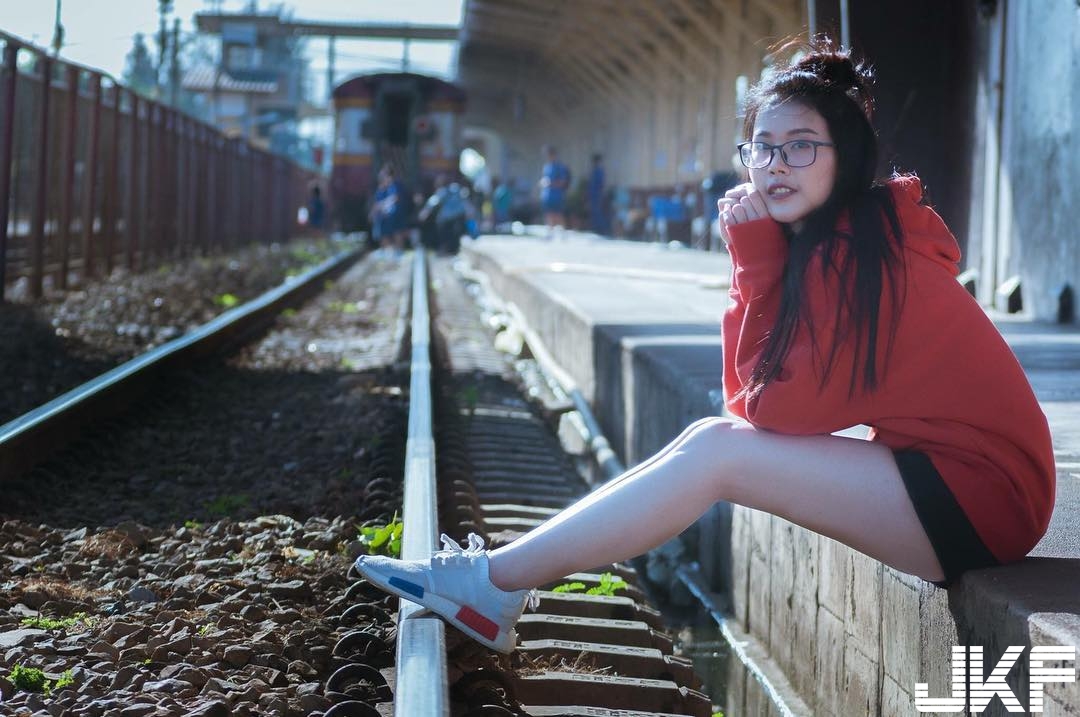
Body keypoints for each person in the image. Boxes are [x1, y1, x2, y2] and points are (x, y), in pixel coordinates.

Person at [354, 40, 1055, 654]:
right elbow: (751, 400)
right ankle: (497, 579)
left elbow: (766, 409)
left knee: (719, 452)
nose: (776, 165)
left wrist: (754, 261)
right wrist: (762, 263)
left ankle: (494, 583)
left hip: (982, 499)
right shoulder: (847, 238)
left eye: (801, 146)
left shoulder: (859, 257)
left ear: (845, 158)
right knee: (708, 440)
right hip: (954, 477)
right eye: (763, 147)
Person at [538, 145, 571, 234]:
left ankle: (563, 232)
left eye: (549, 155)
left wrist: (550, 183)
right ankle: (550, 232)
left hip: (557, 195)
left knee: (558, 214)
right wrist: (542, 183)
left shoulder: (560, 167)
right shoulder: (546, 167)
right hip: (547, 195)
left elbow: (563, 182)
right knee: (548, 213)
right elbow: (545, 179)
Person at [588, 153, 610, 235]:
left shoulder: (599, 171)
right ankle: (595, 228)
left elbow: (601, 184)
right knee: (594, 212)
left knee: (598, 212)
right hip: (592, 194)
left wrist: (601, 194)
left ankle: (602, 230)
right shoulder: (594, 171)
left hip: (597, 194)